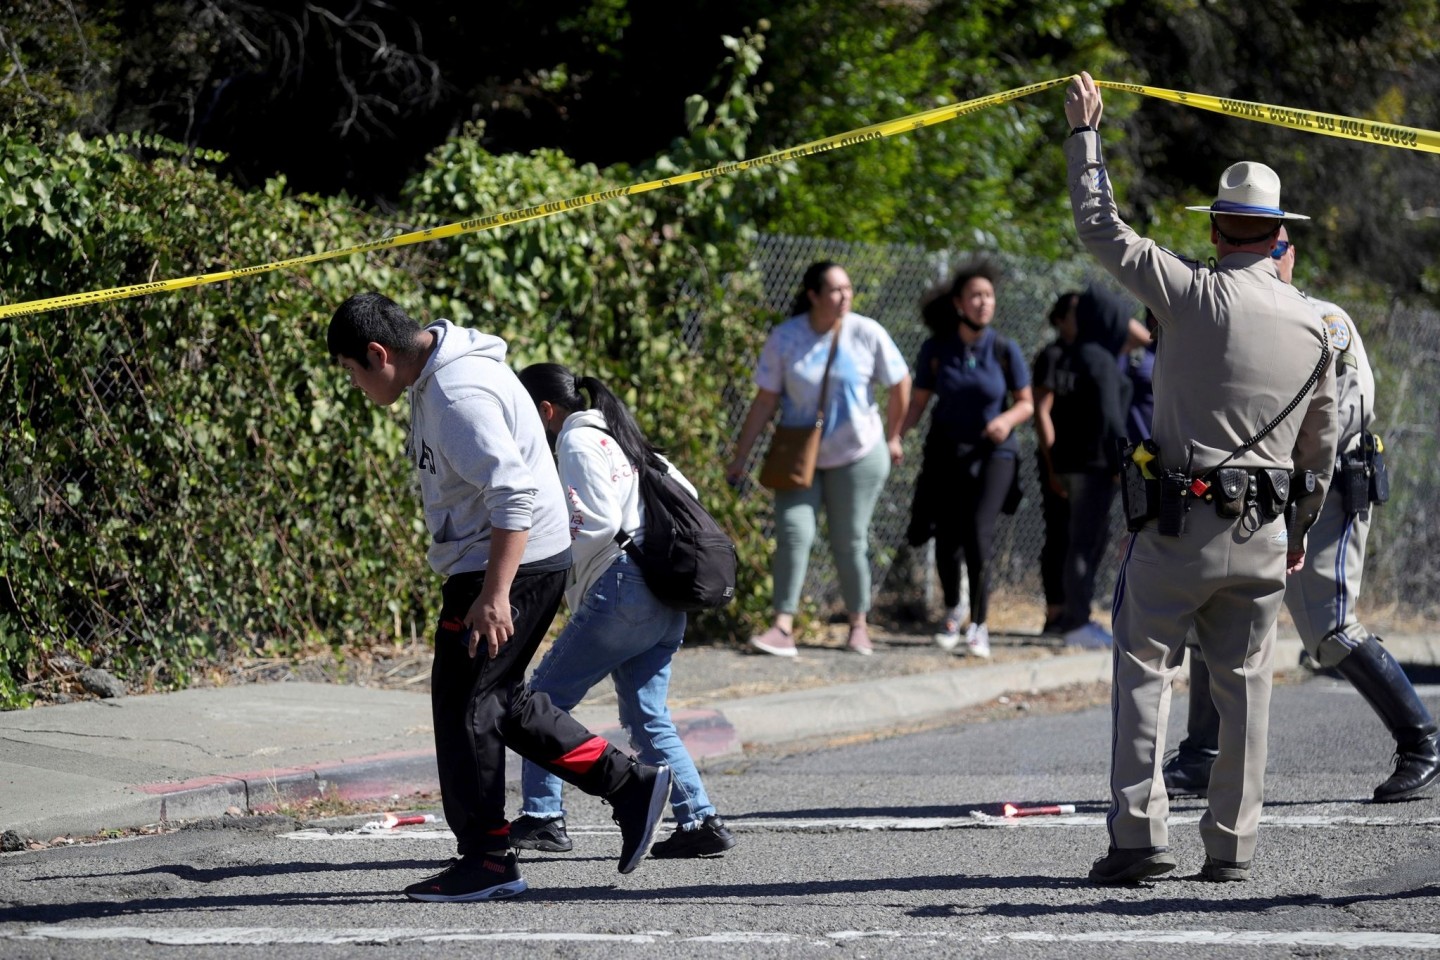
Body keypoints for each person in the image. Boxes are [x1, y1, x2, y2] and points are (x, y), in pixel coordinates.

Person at [1064, 72, 1339, 885]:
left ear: (1218, 228)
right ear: (1280, 235)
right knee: (1246, 688)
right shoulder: (1319, 326)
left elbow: (1100, 228)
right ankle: (1232, 846)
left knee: (1146, 670)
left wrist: (1086, 136)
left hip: (1179, 524)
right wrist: (1298, 533)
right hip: (1265, 533)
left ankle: (1140, 840)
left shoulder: (1189, 295)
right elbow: (1319, 450)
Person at [328, 293, 672, 902]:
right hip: (513, 560)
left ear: (378, 354)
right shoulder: (439, 377)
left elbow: (512, 496)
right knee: (498, 701)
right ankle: (629, 784)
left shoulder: (458, 396)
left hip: (504, 564)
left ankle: (488, 858)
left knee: (463, 709)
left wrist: (494, 594)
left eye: (352, 372)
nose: (354, 385)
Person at [1163, 227, 1438, 805]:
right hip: (1263, 486)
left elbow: (1345, 411)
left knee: (1329, 628)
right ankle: (1202, 752)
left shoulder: (1322, 318)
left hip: (1327, 482)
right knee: (1209, 606)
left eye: (1274, 249)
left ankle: (1423, 743)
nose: (1263, 258)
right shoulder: (1228, 309)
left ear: (1287, 255)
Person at [510, 363, 738, 859]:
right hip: (665, 595)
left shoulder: (575, 442)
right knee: (647, 714)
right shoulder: (626, 437)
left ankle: (544, 816)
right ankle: (699, 820)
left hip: (622, 592)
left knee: (540, 702)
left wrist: (552, 565)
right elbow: (688, 496)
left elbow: (595, 522)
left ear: (546, 412)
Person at [726, 261, 911, 658]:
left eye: (848, 288)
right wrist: (740, 455)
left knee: (850, 540)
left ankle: (858, 626)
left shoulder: (866, 332)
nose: (845, 296)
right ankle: (782, 627)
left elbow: (900, 382)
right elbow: (764, 401)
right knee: (794, 533)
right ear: (813, 295)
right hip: (800, 457)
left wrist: (894, 436)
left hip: (858, 453)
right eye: (835, 290)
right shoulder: (786, 338)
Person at [899, 261, 1034, 658]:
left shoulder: (1005, 349)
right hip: (946, 452)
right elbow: (918, 403)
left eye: (988, 296)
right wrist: (893, 437)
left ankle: (980, 624)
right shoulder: (937, 350)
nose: (983, 303)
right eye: (975, 296)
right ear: (959, 303)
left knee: (978, 532)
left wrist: (1005, 420)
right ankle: (952, 612)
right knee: (947, 538)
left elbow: (1025, 403)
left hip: (995, 453)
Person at [1047, 284, 1136, 649]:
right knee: (1086, 543)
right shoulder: (1100, 359)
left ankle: (1076, 617)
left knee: (1078, 541)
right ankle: (1077, 622)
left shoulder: (1071, 354)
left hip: (1069, 463)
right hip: (1094, 466)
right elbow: (1110, 418)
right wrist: (1122, 462)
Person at [1032, 292, 1081, 635]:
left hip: (1087, 463)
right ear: (1060, 320)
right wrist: (1053, 466)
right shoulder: (1052, 356)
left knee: (1084, 537)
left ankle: (1077, 610)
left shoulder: (1095, 355)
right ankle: (1055, 612)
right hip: (1059, 460)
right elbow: (1041, 411)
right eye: (1076, 314)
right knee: (1059, 534)